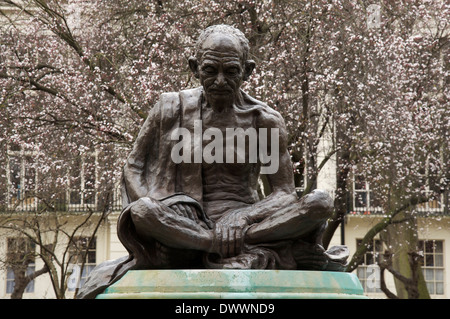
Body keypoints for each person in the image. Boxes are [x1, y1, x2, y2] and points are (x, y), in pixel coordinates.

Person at [77, 24, 348, 299]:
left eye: (230, 72)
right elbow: (133, 168)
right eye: (210, 70)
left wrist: (242, 217)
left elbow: (284, 193)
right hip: (185, 219)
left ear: (247, 70)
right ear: (194, 68)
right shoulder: (170, 108)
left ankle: (201, 246)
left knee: (320, 203)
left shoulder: (263, 121)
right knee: (143, 211)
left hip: (248, 224)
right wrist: (161, 208)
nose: (220, 81)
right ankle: (211, 243)